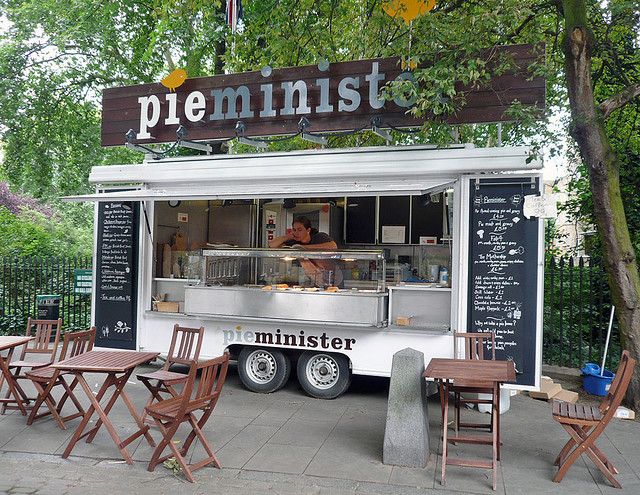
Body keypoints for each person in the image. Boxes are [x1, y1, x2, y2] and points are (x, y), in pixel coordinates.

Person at [268, 216, 342, 287]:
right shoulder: (293, 242)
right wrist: (288, 236)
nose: (296, 233)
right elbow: (271, 245)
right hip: (310, 280)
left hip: (333, 279)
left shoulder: (319, 237)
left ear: (308, 230)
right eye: (294, 230)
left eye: (300, 230)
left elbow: (333, 246)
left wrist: (303, 248)